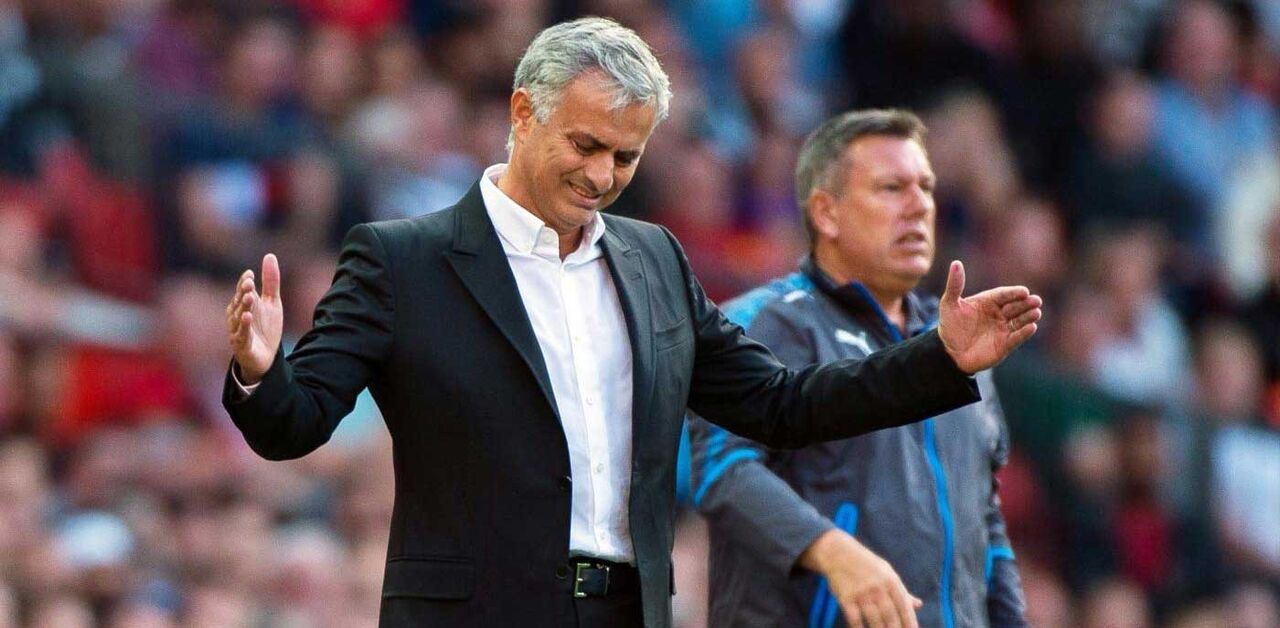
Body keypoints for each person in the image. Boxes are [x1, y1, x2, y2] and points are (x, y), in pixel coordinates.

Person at [222, 19, 1042, 628]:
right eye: (585, 144)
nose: (601, 174)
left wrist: (938, 359)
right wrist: (261, 370)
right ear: (522, 112)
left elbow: (782, 405)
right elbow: (296, 423)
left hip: (628, 612)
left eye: (625, 156)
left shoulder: (655, 261)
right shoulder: (401, 259)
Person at [689, 109, 1028, 628]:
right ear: (826, 213)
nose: (919, 205)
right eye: (892, 188)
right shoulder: (760, 324)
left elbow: (986, 521)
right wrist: (830, 549)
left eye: (926, 187)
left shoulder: (960, 344)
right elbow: (718, 470)